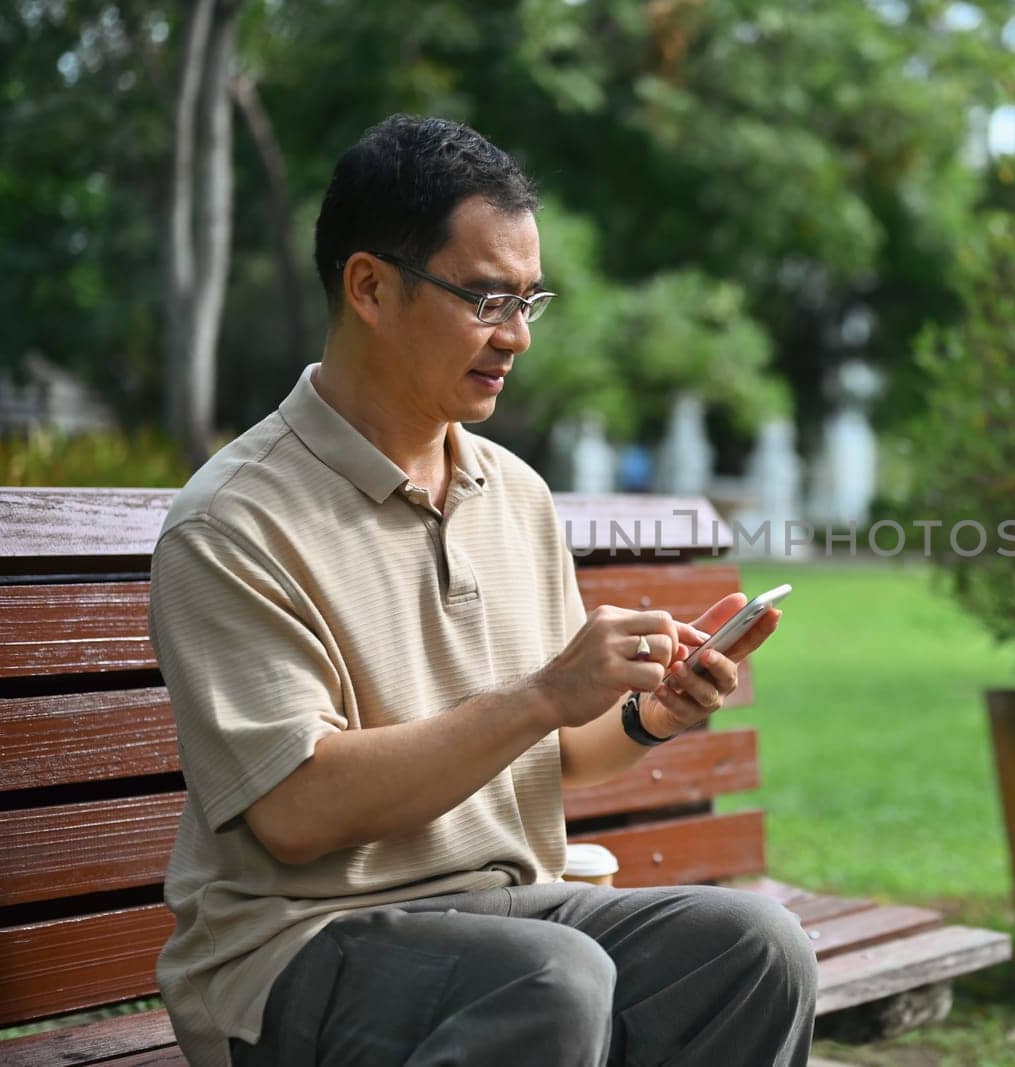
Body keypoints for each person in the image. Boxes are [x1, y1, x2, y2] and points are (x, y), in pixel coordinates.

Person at [148, 114, 817, 1067]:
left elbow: (552, 751)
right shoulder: (235, 522)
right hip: (299, 949)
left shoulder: (515, 491)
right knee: (551, 976)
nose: (517, 338)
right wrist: (541, 693)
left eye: (528, 301)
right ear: (370, 287)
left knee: (758, 950)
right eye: (486, 299)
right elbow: (296, 814)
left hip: (513, 916)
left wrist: (647, 715)